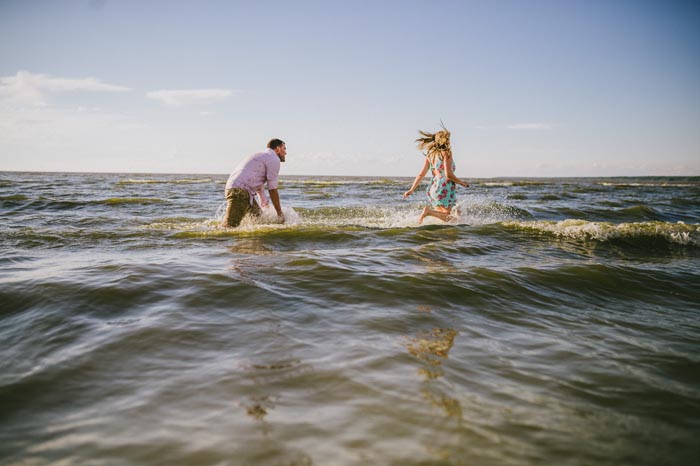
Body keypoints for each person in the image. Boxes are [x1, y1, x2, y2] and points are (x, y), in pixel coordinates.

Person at [403, 126, 469, 223]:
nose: (449, 141)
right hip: (444, 188)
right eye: (448, 139)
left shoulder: (431, 155)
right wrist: (462, 183)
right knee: (452, 219)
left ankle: (437, 232)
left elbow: (421, 174)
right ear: (444, 140)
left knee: (443, 217)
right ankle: (428, 212)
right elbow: (448, 174)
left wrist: (412, 189)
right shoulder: (446, 153)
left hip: (433, 189)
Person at [223, 139, 287, 227]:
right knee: (228, 227)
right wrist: (280, 213)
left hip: (240, 191)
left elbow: (259, 189)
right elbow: (272, 189)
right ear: (278, 148)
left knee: (260, 221)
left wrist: (265, 206)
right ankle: (213, 239)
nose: (285, 153)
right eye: (284, 149)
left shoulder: (262, 156)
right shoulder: (273, 158)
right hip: (240, 192)